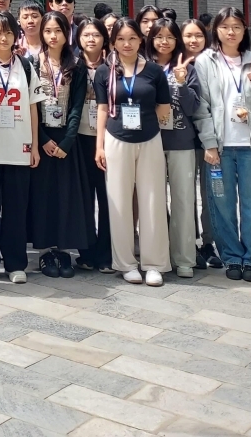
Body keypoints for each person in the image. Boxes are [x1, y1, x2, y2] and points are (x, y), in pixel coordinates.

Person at [193, 6, 251, 281]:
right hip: (220, 146)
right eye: (225, 27)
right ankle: (231, 257)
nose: (231, 32)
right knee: (222, 204)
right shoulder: (205, 61)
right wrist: (209, 143)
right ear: (216, 30)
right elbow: (202, 106)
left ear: (244, 30)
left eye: (237, 27)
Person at [94, 17, 172, 286]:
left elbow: (164, 107)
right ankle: (125, 263)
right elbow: (102, 109)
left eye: (132, 38)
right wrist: (99, 146)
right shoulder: (104, 72)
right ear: (113, 42)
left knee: (152, 200)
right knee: (119, 202)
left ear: (141, 40)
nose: (126, 44)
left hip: (150, 139)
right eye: (120, 39)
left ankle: (154, 264)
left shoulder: (154, 71)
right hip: (116, 140)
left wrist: (147, 122)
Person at [0, 11, 38, 284]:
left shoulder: (26, 66)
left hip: (18, 148)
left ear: (16, 35)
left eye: (9, 32)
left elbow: (33, 107)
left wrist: (34, 146)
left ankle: (15, 263)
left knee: (15, 210)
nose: (3, 38)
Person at [29, 11, 90, 278]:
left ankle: (64, 251)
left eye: (58, 31)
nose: (53, 36)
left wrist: (67, 141)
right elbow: (31, 105)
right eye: (48, 31)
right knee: (43, 197)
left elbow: (77, 106)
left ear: (67, 33)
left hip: (66, 141)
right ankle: (45, 252)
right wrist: (42, 140)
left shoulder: (76, 65)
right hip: (41, 137)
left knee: (66, 197)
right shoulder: (32, 63)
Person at [148, 18, 202, 278]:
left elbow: (193, 108)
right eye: (159, 36)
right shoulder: (143, 67)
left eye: (170, 37)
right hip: (150, 143)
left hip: (181, 142)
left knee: (183, 200)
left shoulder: (187, 68)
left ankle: (184, 259)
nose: (164, 41)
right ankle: (158, 256)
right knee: (154, 202)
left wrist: (180, 82)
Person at [179, 19, 221, 270]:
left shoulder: (213, 63)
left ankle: (209, 242)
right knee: (185, 194)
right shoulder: (174, 63)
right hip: (182, 139)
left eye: (198, 36)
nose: (193, 40)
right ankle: (189, 242)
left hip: (210, 139)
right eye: (188, 36)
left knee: (210, 193)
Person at [74, 18, 112, 273]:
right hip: (80, 139)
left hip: (108, 139)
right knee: (84, 197)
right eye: (86, 35)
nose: (91, 39)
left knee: (108, 198)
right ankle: (86, 251)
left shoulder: (113, 67)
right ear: (78, 38)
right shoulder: (73, 66)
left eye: (96, 35)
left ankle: (106, 253)